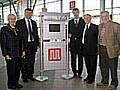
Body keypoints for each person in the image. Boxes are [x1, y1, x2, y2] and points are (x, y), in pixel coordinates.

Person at [97, 11, 120, 90]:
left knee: (113, 68)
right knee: (103, 66)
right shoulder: (100, 26)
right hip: (102, 49)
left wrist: (118, 51)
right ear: (100, 17)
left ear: (109, 16)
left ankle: (114, 83)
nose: (104, 18)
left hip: (112, 50)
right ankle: (104, 81)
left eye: (106, 16)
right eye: (102, 16)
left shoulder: (115, 25)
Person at [0, 14, 25, 89]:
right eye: (11, 19)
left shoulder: (18, 29)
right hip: (10, 54)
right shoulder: (4, 29)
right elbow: (3, 42)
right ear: (8, 19)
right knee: (11, 70)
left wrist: (23, 51)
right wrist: (5, 54)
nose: (13, 20)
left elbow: (22, 41)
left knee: (17, 69)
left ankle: (16, 83)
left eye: (14, 18)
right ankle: (11, 85)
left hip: (18, 53)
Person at [16, 8, 39, 82]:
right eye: (27, 13)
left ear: (32, 14)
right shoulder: (19, 22)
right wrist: (21, 48)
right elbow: (19, 37)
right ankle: (24, 76)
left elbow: (36, 34)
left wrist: (37, 44)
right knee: (24, 62)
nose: (29, 14)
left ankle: (30, 75)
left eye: (30, 13)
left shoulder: (34, 23)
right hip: (24, 45)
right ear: (25, 13)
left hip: (32, 45)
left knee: (32, 61)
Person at [68, 8, 85, 78]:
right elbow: (68, 31)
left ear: (79, 13)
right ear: (73, 13)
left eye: (76, 12)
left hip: (81, 44)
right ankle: (74, 72)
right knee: (73, 59)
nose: (75, 14)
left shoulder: (83, 21)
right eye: (74, 13)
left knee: (80, 59)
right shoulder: (70, 22)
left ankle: (80, 73)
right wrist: (68, 34)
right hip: (72, 44)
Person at [82, 14, 98, 84]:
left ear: (90, 18)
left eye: (87, 18)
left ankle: (92, 78)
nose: (86, 19)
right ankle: (89, 75)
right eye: (85, 18)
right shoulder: (83, 27)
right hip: (84, 49)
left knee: (92, 64)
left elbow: (98, 38)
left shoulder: (95, 27)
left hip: (92, 49)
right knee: (87, 63)